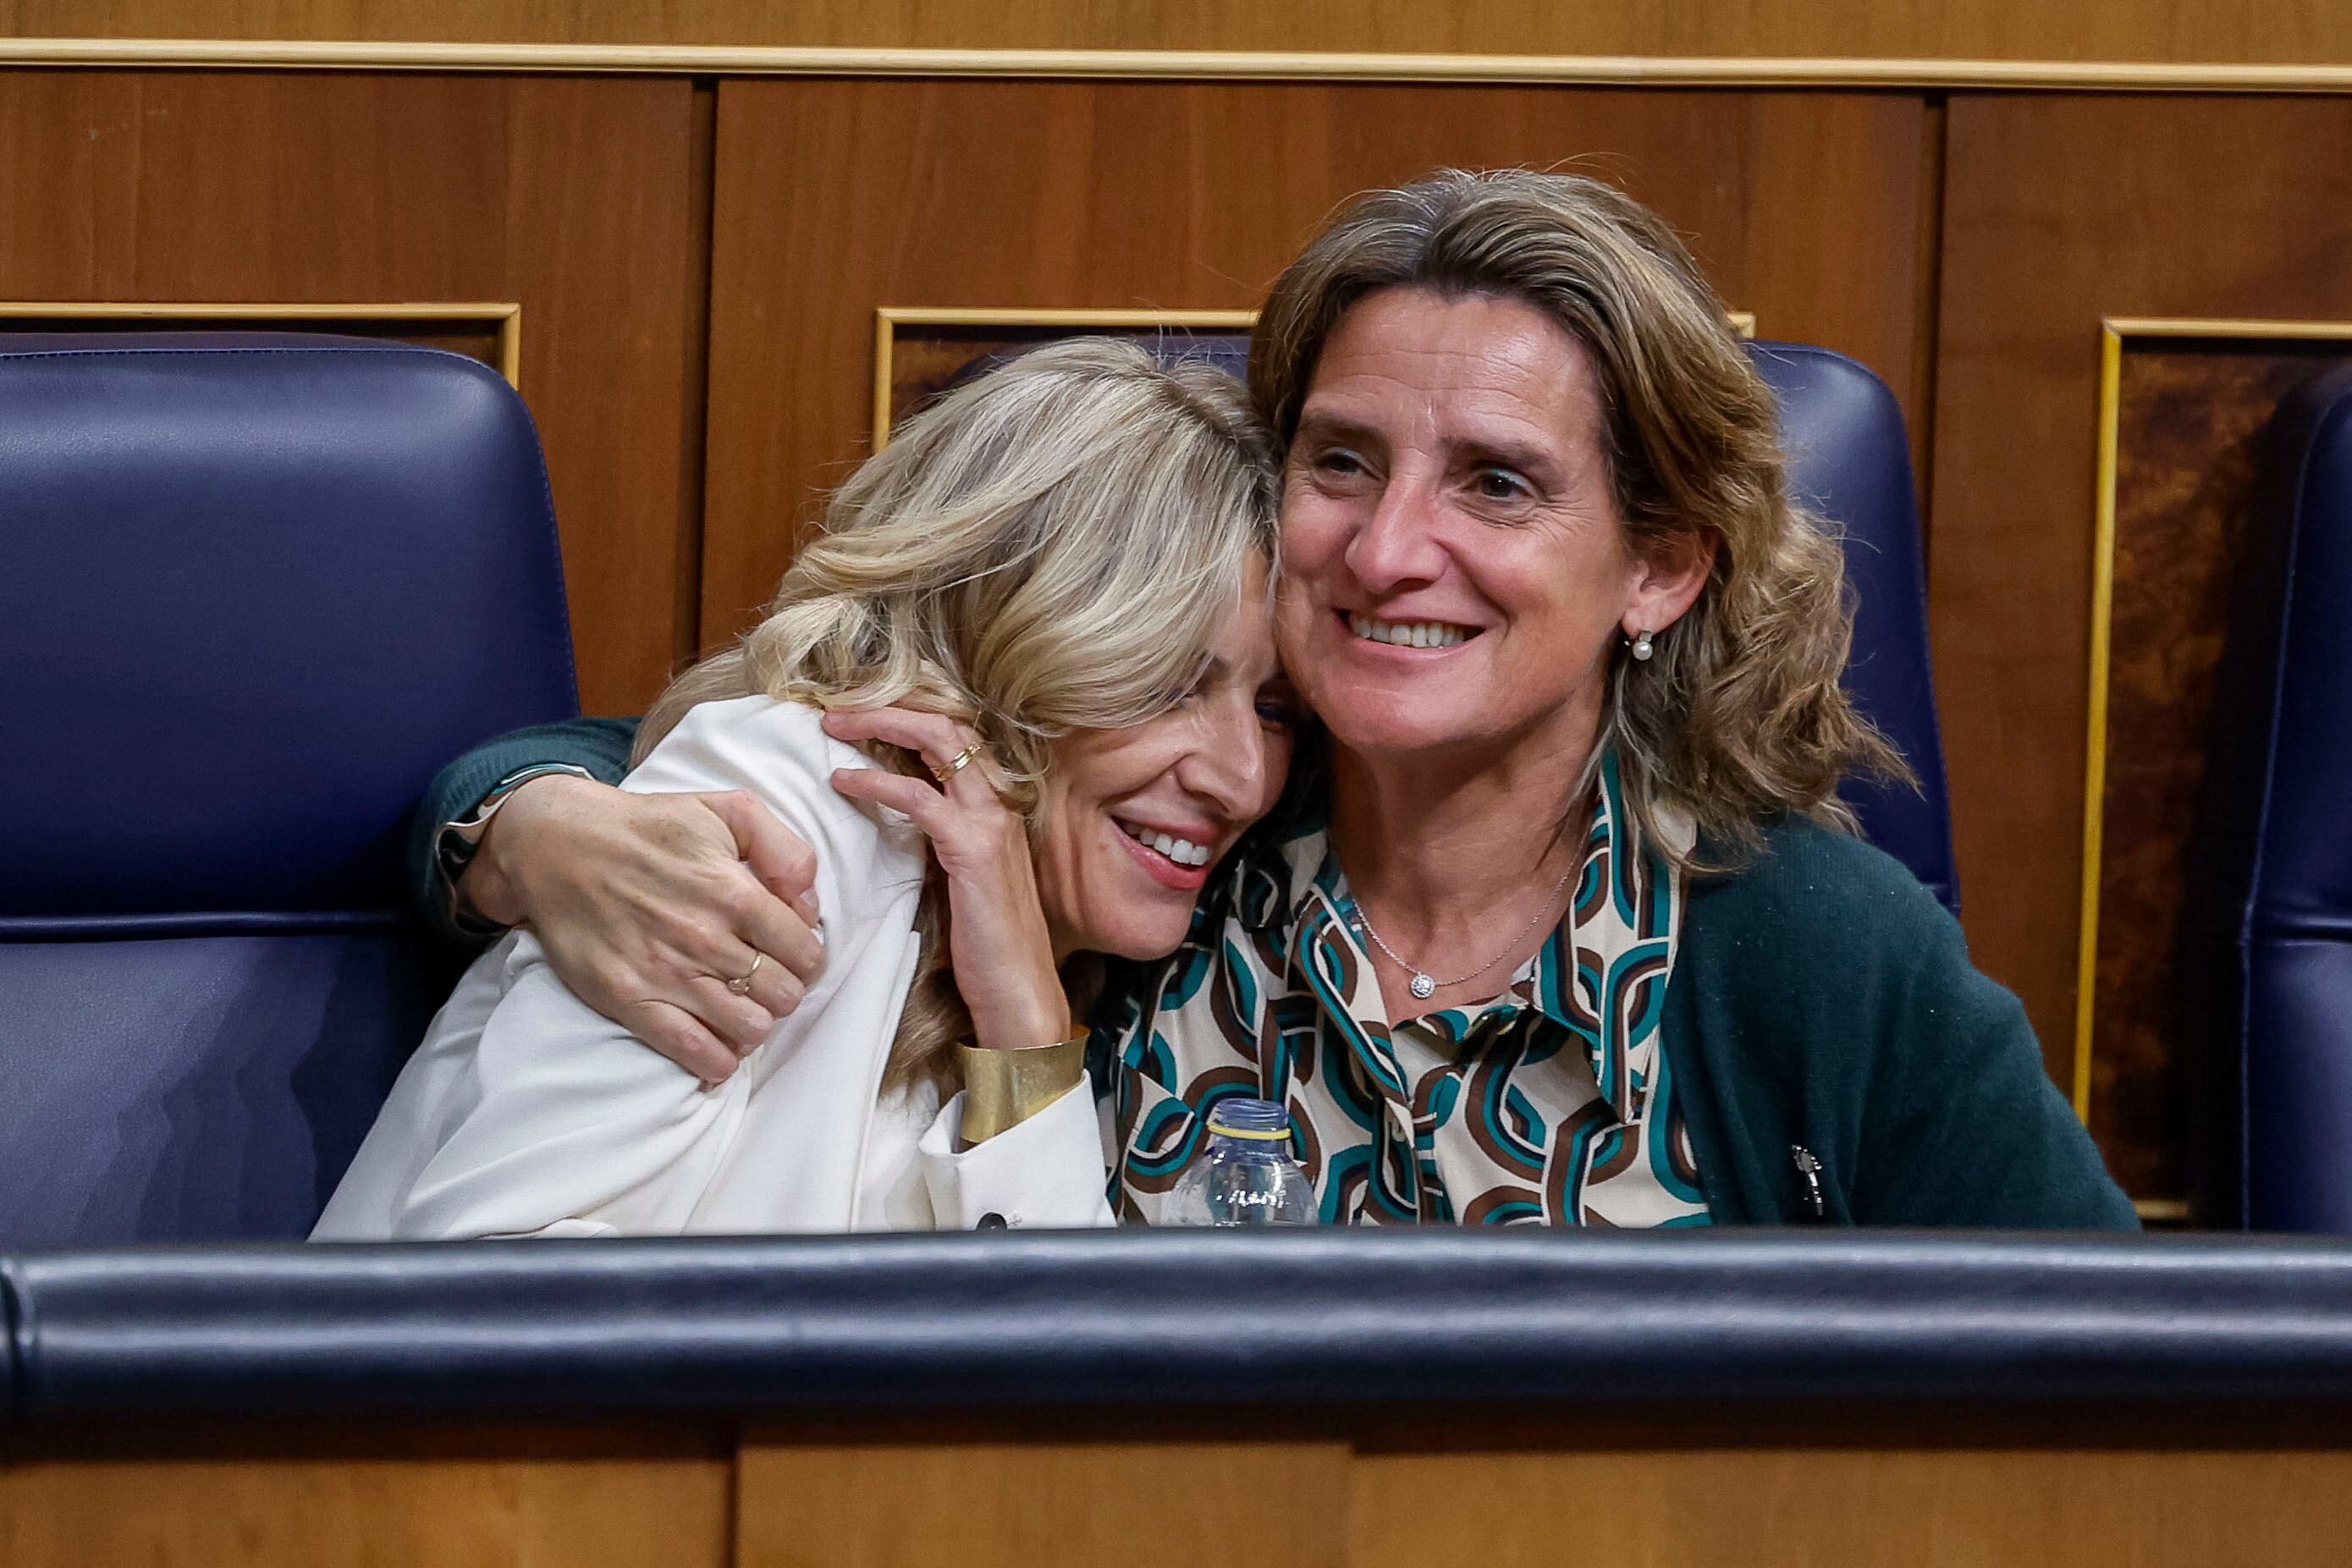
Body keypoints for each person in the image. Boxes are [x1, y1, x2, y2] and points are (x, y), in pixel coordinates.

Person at [415, 169, 2136, 1230]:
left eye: (1499, 485)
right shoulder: (1167, 831)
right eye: (1341, 459)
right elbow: (806, 727)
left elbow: (2136, 1397)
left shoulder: (1807, 948)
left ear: (1662, 568)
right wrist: (522, 822)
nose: (1391, 547)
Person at [313, 338, 1290, 1238]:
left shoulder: (1095, 940)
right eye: (1167, 683)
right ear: (1009, 647)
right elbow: (489, 1310)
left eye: (1278, 706)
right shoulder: (786, 807)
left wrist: (1027, 1037)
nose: (1243, 777)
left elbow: (1053, 1366)